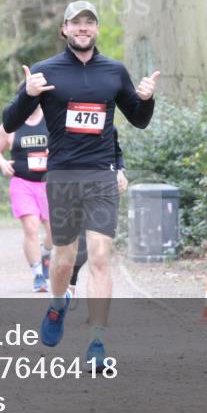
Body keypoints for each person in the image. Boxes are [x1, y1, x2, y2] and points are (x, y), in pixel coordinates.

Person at [2, 0, 159, 369]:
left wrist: (147, 100)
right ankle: (57, 306)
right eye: (76, 23)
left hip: (101, 175)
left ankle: (97, 343)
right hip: (61, 176)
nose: (83, 28)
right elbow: (9, 123)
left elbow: (138, 121)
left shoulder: (114, 72)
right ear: (65, 29)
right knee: (64, 258)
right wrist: (28, 93)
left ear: (97, 29)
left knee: (101, 257)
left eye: (89, 22)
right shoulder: (45, 71)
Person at [0, 105, 54, 293]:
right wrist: (2, 163)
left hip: (49, 183)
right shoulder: (11, 123)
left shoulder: (52, 117)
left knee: (54, 231)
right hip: (22, 183)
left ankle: (46, 253)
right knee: (31, 227)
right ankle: (38, 274)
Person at [68, 129, 127, 308]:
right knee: (75, 245)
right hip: (71, 188)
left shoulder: (108, 125)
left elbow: (117, 152)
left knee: (97, 251)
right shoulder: (63, 122)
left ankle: (97, 319)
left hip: (102, 190)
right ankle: (69, 283)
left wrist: (120, 171)